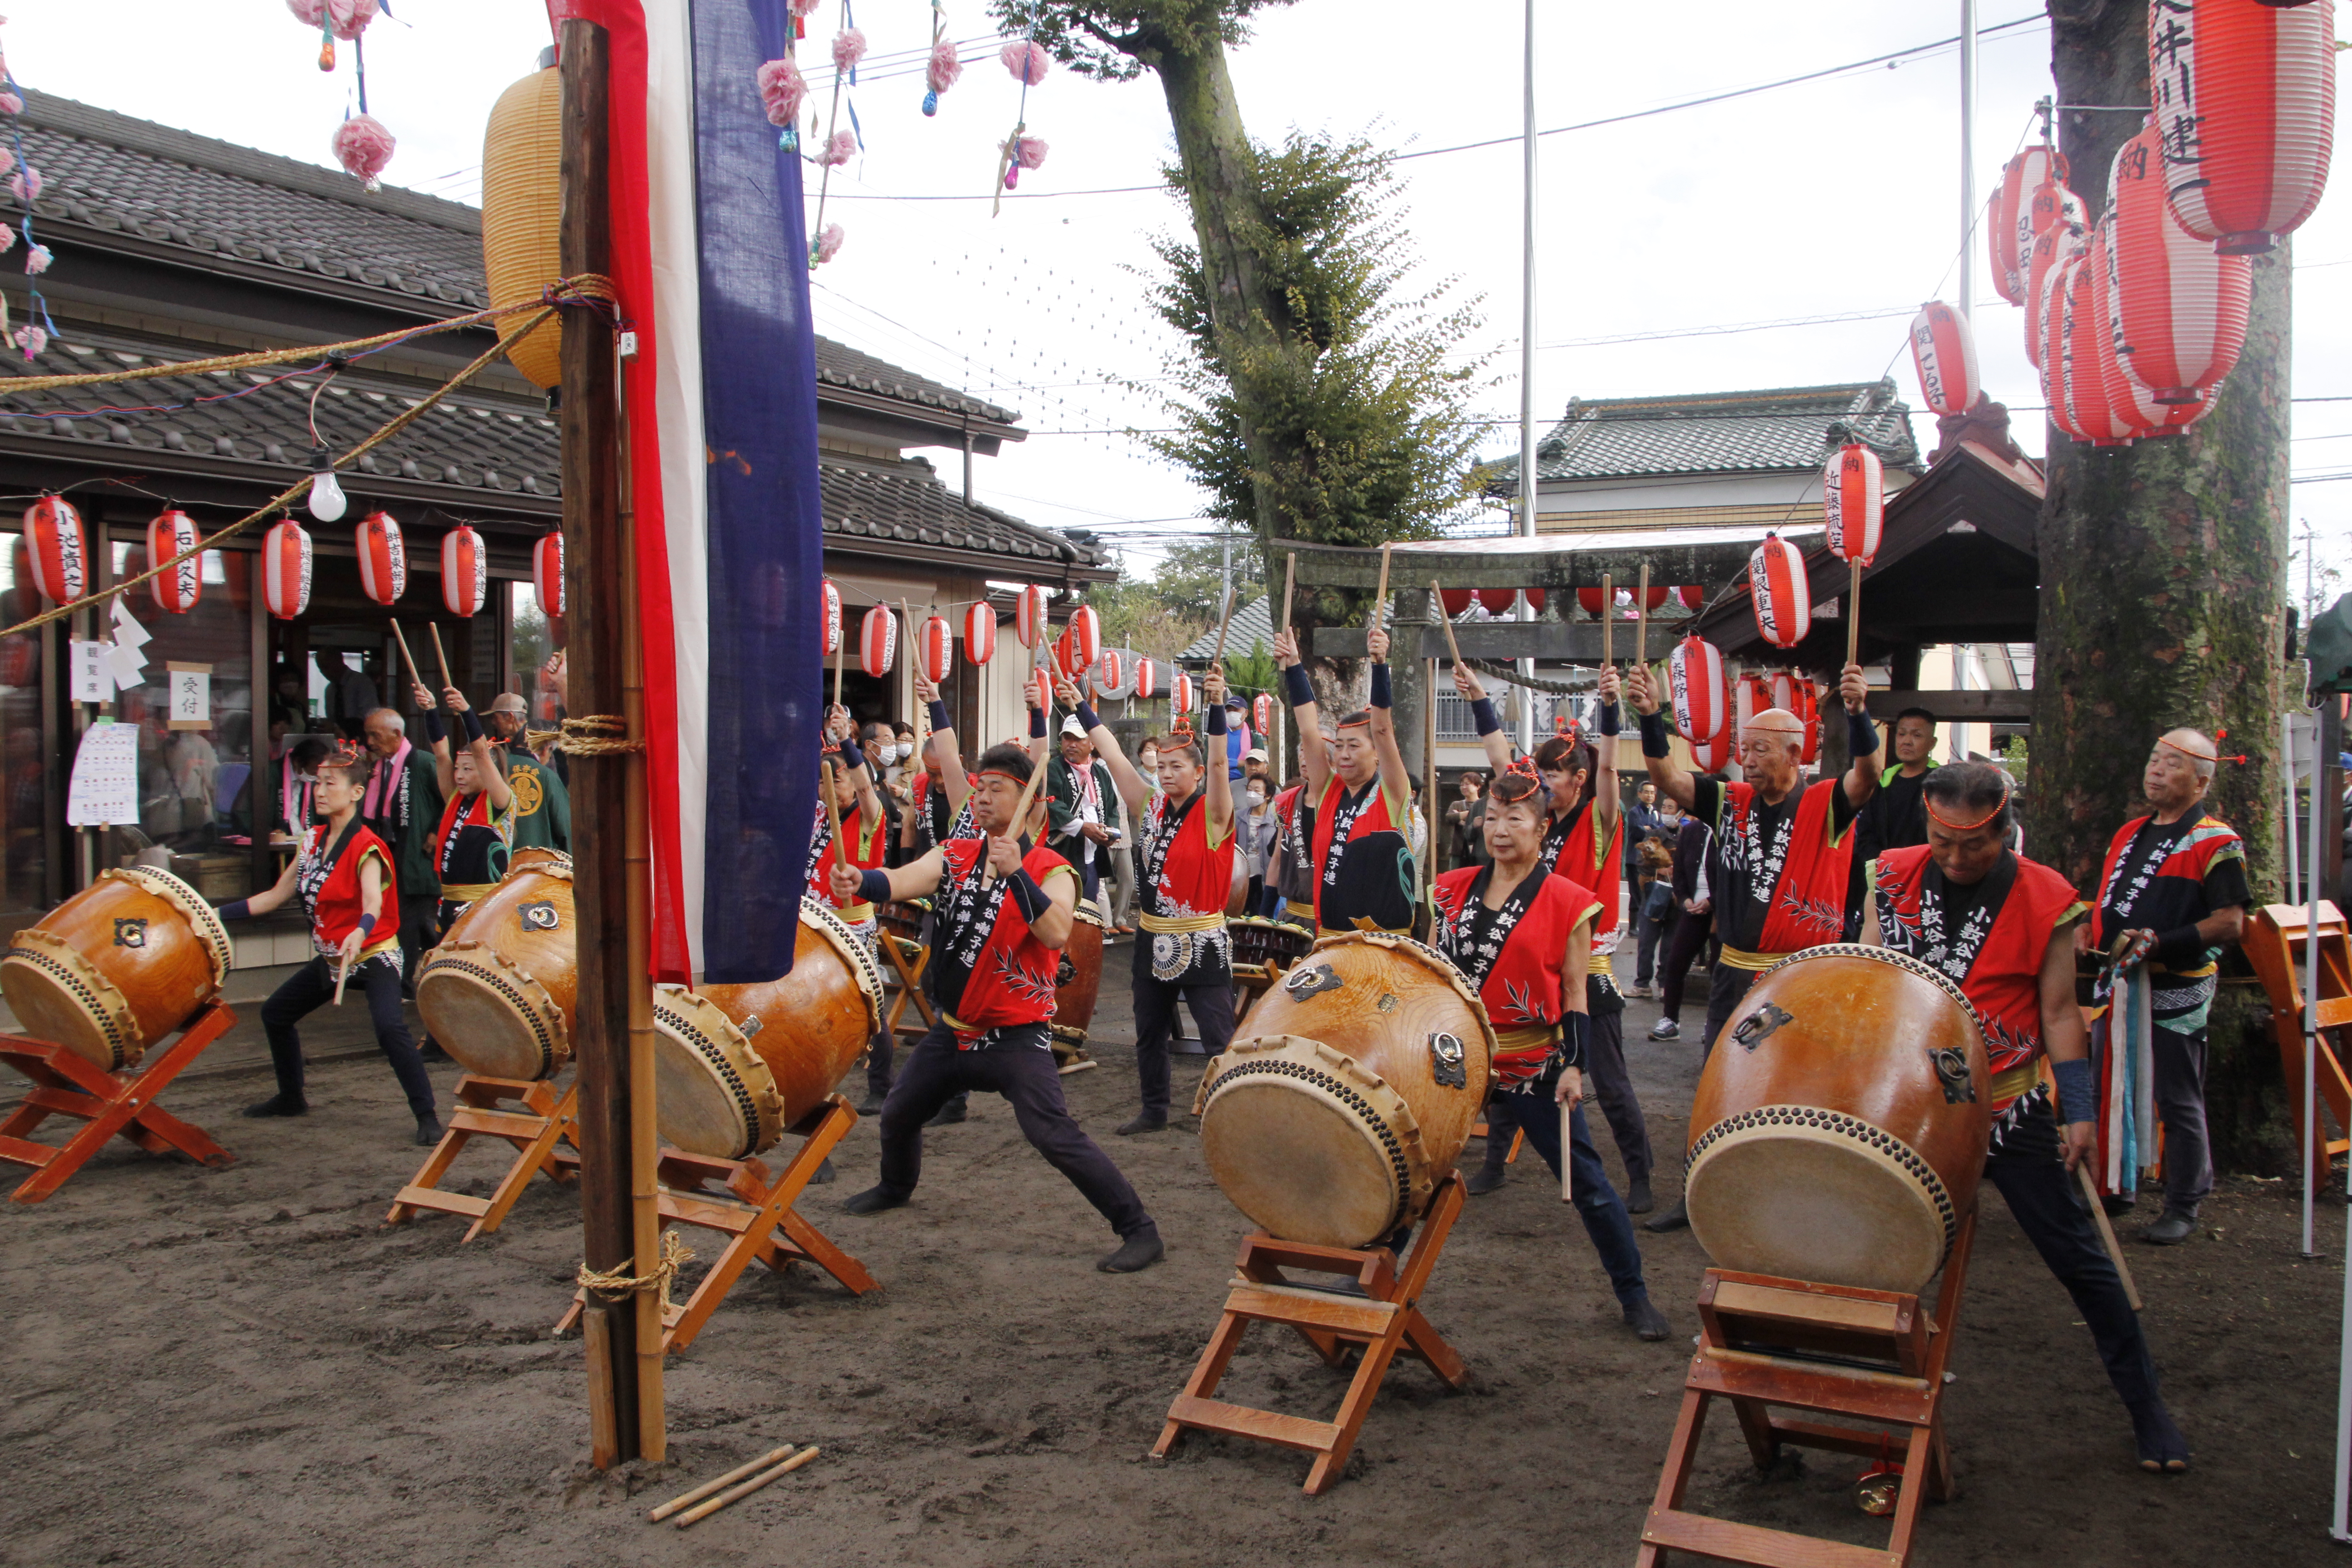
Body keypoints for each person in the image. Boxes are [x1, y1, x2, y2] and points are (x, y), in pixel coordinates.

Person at [1862, 761, 2190, 1473]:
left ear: (2006, 830)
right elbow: (1872, 979)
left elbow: (2062, 1012)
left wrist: (2077, 1113)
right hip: (1909, 1102)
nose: (1953, 859)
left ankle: (2147, 1406)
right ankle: (1872, 1408)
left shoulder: (2047, 896)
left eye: (1971, 846)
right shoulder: (1889, 875)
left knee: (2079, 1256)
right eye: (1941, 842)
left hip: (2005, 1103)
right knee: (1881, 1255)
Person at [833, 740, 1165, 1273]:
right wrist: (861, 882)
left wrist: (1016, 874)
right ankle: (896, 1187)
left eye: (998, 790)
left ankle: (1140, 1230)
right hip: (954, 1031)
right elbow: (899, 880)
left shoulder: (1052, 867)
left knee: (1053, 1135)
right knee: (898, 1113)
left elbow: (1056, 933)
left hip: (1016, 1037)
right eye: (980, 789)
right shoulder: (957, 853)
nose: (983, 799)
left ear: (1031, 802)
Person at [1626, 659, 1879, 1232]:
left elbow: (1868, 774)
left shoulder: (1826, 804)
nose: (1749, 758)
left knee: (1795, 1089)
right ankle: (1701, 1191)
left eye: (1762, 749)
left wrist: (1861, 713)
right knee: (1720, 1080)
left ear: (1795, 753)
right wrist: (1650, 715)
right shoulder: (1730, 800)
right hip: (1734, 972)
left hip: (1800, 978)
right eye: (1746, 747)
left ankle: (1790, 1200)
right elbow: (1669, 778)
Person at [1432, 764, 1671, 1341]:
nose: (1500, 830)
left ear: (1541, 830)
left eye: (1515, 819)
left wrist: (1574, 1065)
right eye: (1492, 818)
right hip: (1461, 1055)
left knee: (1587, 1180)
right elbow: (1436, 975)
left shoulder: (1569, 901)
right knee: (1416, 1164)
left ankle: (1633, 1294)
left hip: (1533, 1061)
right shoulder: (1453, 888)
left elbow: (1574, 992)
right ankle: (1375, 1267)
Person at [1455, 661, 1653, 1212]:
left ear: (1579, 780)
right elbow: (1502, 763)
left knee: (1608, 1081)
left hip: (1585, 972)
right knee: (1504, 1066)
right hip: (1531, 962)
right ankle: (1495, 1162)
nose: (1543, 785)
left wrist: (1612, 709)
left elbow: (1611, 770)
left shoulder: (1600, 819)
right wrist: (1478, 701)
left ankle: (1638, 1174)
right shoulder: (1536, 823)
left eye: (1554, 777)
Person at [216, 741, 440, 1145]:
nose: (319, 791)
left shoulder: (366, 846)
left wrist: (361, 929)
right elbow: (273, 897)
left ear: (356, 792)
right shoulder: (310, 842)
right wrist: (214, 915)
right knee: (276, 1014)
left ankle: (427, 1115)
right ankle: (290, 1097)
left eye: (329, 783)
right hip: (334, 958)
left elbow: (372, 901)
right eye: (317, 782)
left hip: (372, 954)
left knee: (390, 1029)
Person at [2082, 728, 2251, 1246]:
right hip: (2120, 981)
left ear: (2200, 781)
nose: (2156, 770)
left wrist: (2162, 943)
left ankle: (2184, 1201)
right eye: (2154, 759)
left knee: (2177, 1097)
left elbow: (2231, 923)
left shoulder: (2218, 841)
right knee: (2108, 1084)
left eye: (2172, 764)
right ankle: (2114, 1185)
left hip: (2176, 984)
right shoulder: (2130, 832)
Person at [1065, 670, 1238, 1135]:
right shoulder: (1150, 806)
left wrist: (1217, 706)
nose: (1166, 775)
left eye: (1177, 767)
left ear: (1198, 772)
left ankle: (1232, 1116)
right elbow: (1115, 755)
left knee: (1219, 1035)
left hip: (1201, 937)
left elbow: (1222, 768)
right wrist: (1082, 706)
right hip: (1153, 935)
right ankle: (1154, 1108)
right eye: (1161, 768)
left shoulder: (1215, 812)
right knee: (1150, 1031)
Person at [1271, 622, 1416, 936]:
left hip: (1383, 944)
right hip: (1329, 938)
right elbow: (1310, 732)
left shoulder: (1390, 793)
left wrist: (1380, 666)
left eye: (1354, 746)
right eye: (1339, 746)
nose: (1344, 754)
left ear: (1376, 752)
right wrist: (1295, 666)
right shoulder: (1330, 791)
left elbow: (1382, 729)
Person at [360, 706, 444, 997]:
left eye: (375, 735)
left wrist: (435, 830)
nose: (370, 742)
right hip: (393, 855)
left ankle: (424, 980)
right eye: (368, 735)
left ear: (397, 734)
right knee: (410, 924)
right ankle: (414, 982)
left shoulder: (421, 762)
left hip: (418, 857)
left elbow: (450, 797)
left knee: (418, 923)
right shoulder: (379, 767)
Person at [1847, 707, 1937, 936]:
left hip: (1925, 883)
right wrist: (1882, 869)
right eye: (1902, 734)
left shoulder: (1940, 786)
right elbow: (1865, 835)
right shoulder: (1882, 783)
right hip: (1882, 879)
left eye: (1917, 735)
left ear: (1932, 743)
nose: (1907, 741)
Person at [1648, 808, 1715, 1042]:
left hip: (1720, 910)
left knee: (1719, 969)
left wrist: (1712, 901)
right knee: (1676, 963)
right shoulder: (1693, 831)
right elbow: (1680, 871)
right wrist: (1684, 897)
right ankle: (1670, 1019)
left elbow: (1737, 876)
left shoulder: (1734, 830)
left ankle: (1715, 1022)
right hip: (1692, 907)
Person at [484, 691, 571, 853]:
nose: (493, 723)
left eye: (495, 718)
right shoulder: (519, 739)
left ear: (510, 717)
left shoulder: (531, 737)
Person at [1046, 712, 1118, 906]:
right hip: (1063, 853)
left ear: (1092, 744)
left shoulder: (1100, 772)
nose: (1072, 744)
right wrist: (1081, 827)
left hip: (1092, 854)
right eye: (1067, 738)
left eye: (1078, 739)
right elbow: (1050, 803)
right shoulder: (1053, 768)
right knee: (1064, 910)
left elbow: (1112, 807)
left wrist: (1110, 832)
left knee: (1088, 910)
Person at [1630, 837, 1676, 1000]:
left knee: (1670, 946)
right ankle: (1642, 984)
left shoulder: (1686, 835)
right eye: (1665, 808)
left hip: (1675, 899)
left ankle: (1665, 983)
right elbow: (1640, 861)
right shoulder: (1657, 834)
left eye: (1671, 808)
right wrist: (1658, 871)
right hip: (1653, 896)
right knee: (1646, 942)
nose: (1666, 810)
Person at [1270, 772, 1317, 929]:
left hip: (1332, 923)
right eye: (1302, 750)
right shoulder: (1288, 801)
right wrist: (1265, 911)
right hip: (1292, 917)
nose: (1304, 756)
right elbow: (1277, 857)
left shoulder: (1346, 800)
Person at [1446, 770, 1489, 873]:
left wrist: (1461, 817)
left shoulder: (1483, 805)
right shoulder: (1457, 804)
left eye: (1467, 784)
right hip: (1458, 849)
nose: (1464, 787)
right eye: (1462, 785)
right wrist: (1469, 814)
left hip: (1477, 851)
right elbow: (1449, 818)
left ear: (1478, 786)